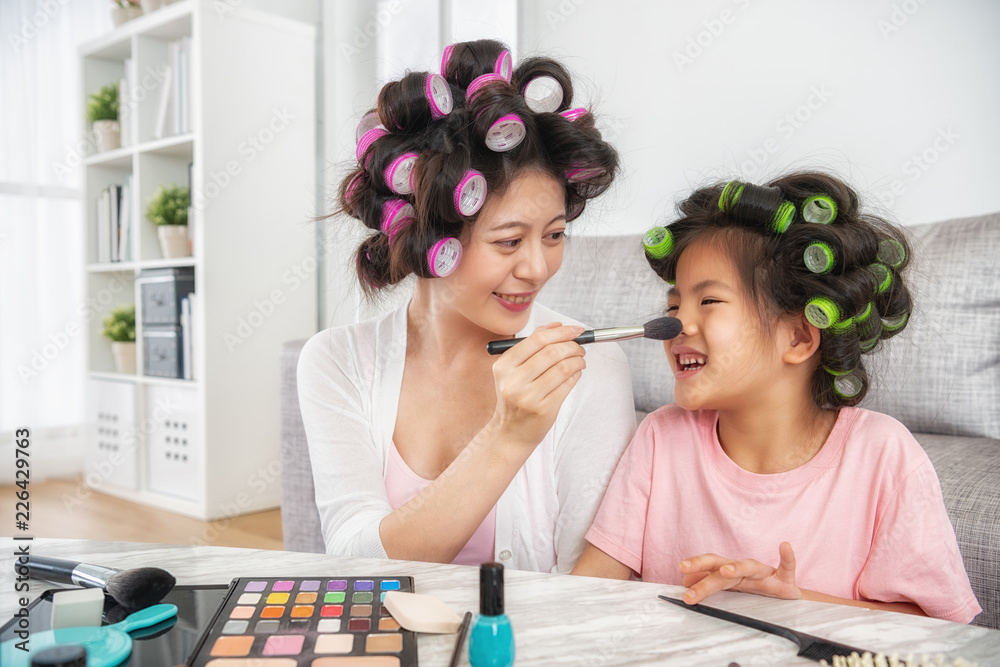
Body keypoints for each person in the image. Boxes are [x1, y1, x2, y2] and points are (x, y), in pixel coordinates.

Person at [572, 171, 982, 623]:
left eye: (708, 302)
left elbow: (936, 630)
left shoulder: (882, 455)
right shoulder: (661, 437)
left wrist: (795, 602)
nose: (677, 326)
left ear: (799, 338)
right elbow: (590, 590)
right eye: (673, 306)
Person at [297, 39, 636, 572]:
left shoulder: (585, 363)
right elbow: (355, 562)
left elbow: (596, 582)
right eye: (508, 241)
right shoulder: (337, 362)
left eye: (553, 235)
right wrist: (509, 434)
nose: (537, 268)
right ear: (428, 238)